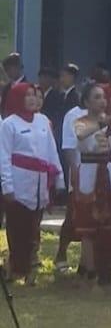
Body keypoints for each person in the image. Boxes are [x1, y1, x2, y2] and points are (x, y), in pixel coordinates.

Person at [0, 83, 65, 284]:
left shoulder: (43, 121)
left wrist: (59, 178)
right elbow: (3, 157)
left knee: (33, 227)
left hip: (40, 182)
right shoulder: (9, 124)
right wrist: (7, 186)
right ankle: (16, 266)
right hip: (19, 182)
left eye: (33, 95)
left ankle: (30, 269)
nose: (31, 99)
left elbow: (51, 150)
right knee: (17, 227)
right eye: (26, 95)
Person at [72, 83, 111, 286]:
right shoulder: (81, 121)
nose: (102, 101)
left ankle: (107, 269)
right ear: (87, 101)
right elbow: (80, 135)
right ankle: (91, 273)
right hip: (90, 175)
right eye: (96, 97)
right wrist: (105, 123)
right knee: (88, 228)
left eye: (104, 97)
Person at [53, 95, 89, 273]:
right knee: (73, 216)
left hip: (102, 174)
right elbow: (68, 146)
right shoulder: (73, 115)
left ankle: (87, 261)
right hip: (79, 170)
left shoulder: (108, 116)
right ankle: (61, 253)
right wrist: (73, 170)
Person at [1, 52, 26, 118]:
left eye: (9, 69)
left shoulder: (28, 87)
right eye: (6, 70)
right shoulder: (7, 88)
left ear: (18, 67)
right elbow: (3, 108)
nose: (7, 72)